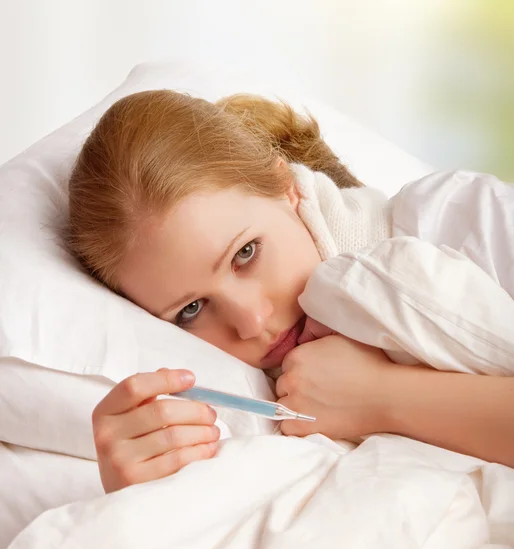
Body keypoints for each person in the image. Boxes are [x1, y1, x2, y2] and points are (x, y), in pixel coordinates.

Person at [68, 90, 514, 493]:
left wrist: (381, 397)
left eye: (246, 252)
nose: (252, 323)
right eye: (192, 308)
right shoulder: (241, 413)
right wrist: (134, 499)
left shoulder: (458, 221)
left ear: (287, 188)